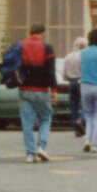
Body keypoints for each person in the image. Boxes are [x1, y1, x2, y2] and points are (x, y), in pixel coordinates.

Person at [16, 23, 58, 163]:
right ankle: (42, 146)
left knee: (27, 122)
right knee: (45, 117)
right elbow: (51, 71)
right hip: (41, 90)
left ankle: (30, 154)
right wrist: (54, 91)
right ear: (42, 33)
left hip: (24, 90)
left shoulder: (21, 46)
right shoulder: (47, 48)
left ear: (30, 32)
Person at [62, 42, 87, 142]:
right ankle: (81, 120)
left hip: (71, 82)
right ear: (82, 46)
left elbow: (64, 72)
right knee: (86, 104)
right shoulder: (84, 56)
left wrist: (67, 78)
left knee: (73, 106)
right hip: (82, 81)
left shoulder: (68, 56)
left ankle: (76, 129)